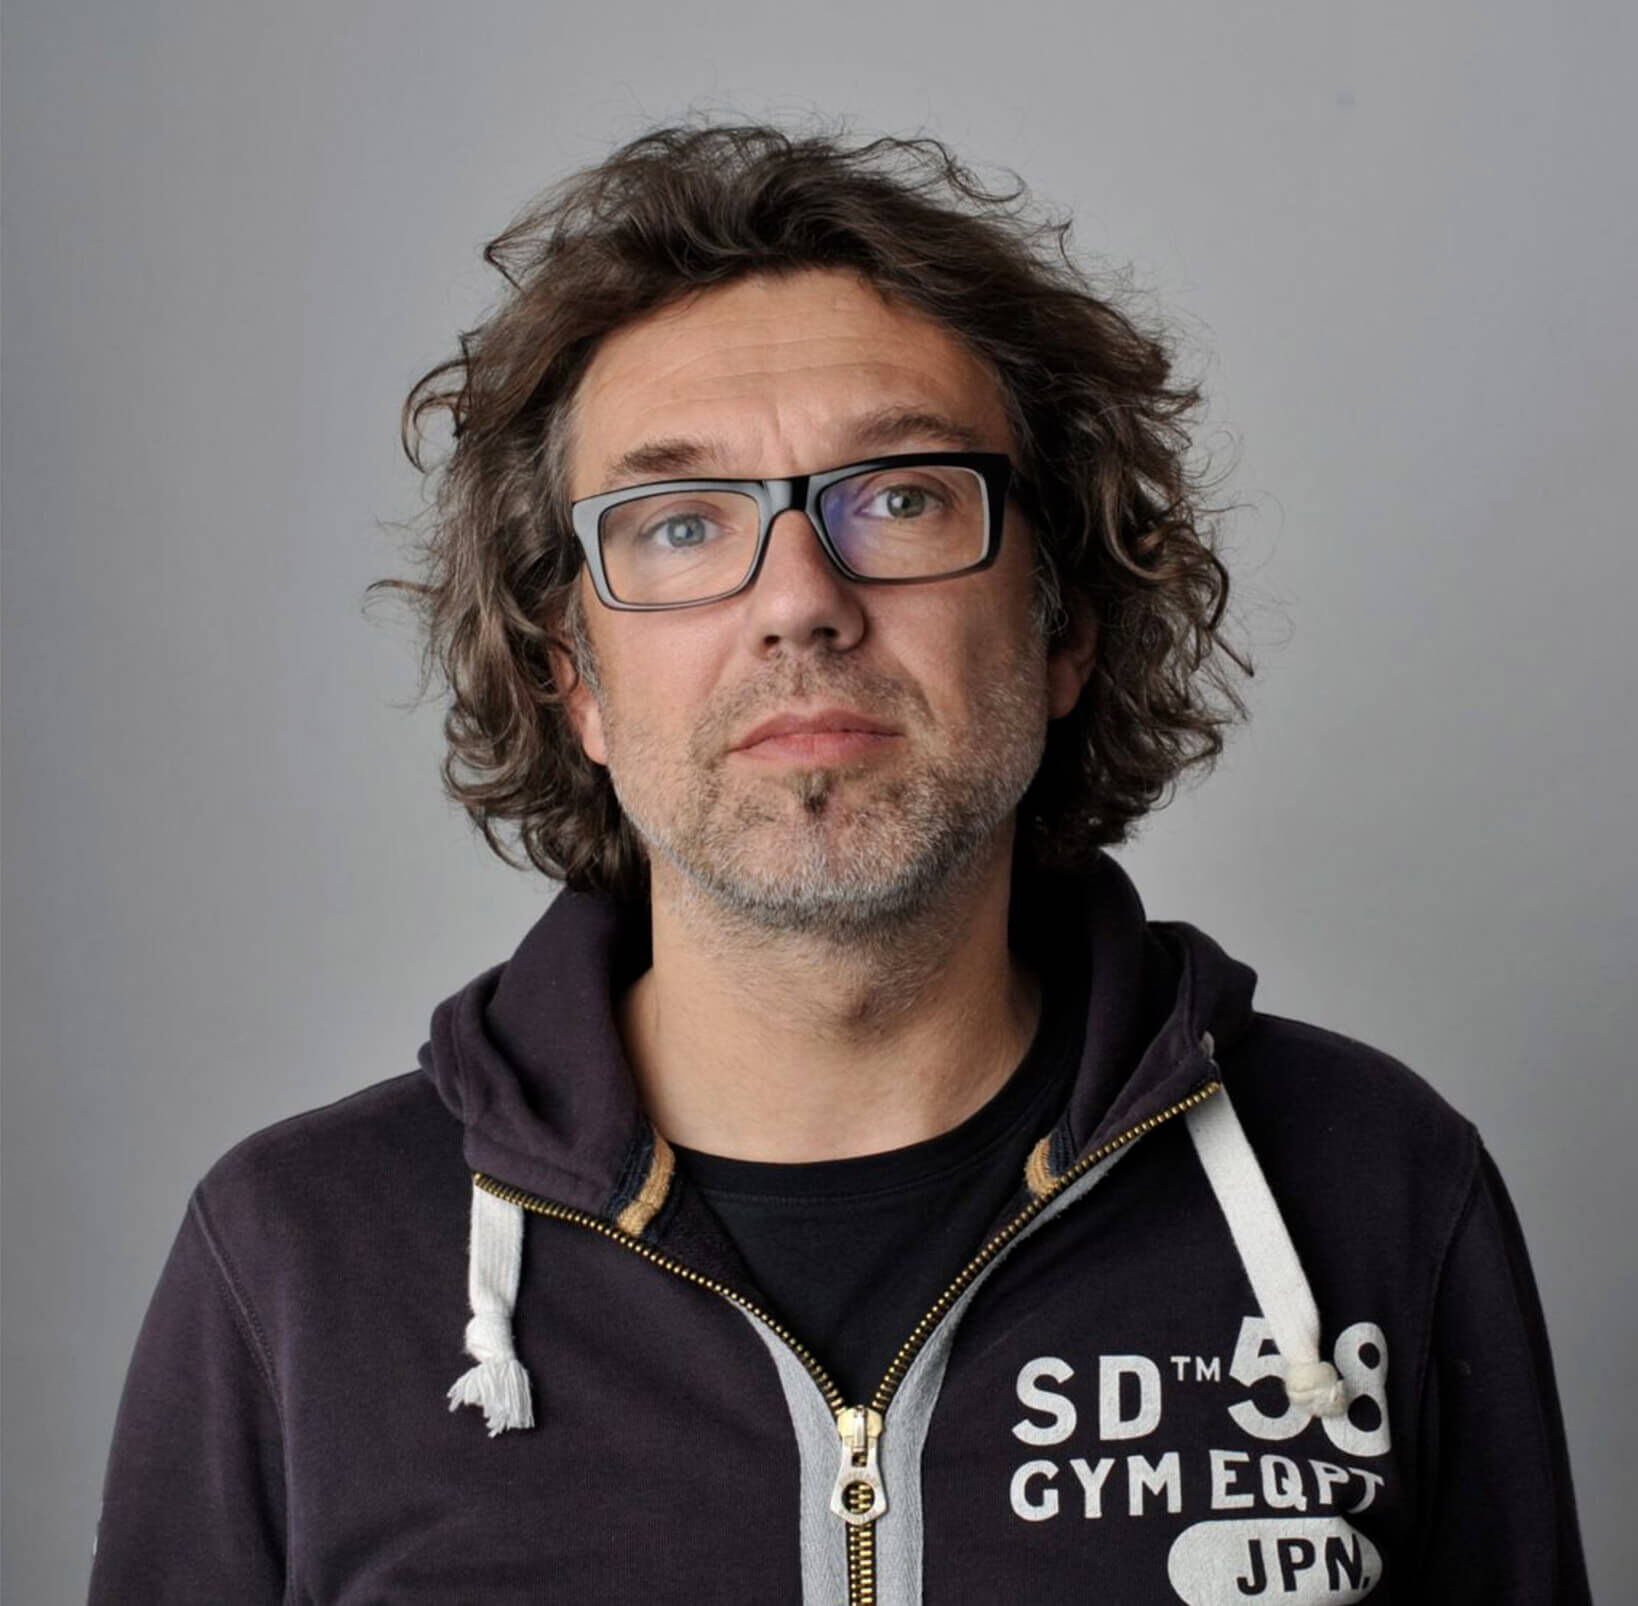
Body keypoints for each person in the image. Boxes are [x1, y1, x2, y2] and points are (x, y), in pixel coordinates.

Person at [88, 124, 1589, 1605]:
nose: (799, 599)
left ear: (1064, 624)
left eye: (903, 497)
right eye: (681, 524)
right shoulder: (295, 1259)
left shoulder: (1374, 1185)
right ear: (574, 677)